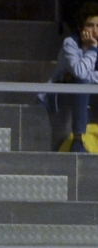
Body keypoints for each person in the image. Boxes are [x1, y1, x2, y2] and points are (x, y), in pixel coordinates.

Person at [41, 2, 98, 153]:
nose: (95, 30)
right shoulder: (70, 43)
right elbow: (80, 72)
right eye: (90, 25)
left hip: (88, 93)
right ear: (80, 27)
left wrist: (81, 76)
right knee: (82, 83)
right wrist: (92, 49)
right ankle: (77, 140)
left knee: (84, 81)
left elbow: (80, 73)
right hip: (62, 92)